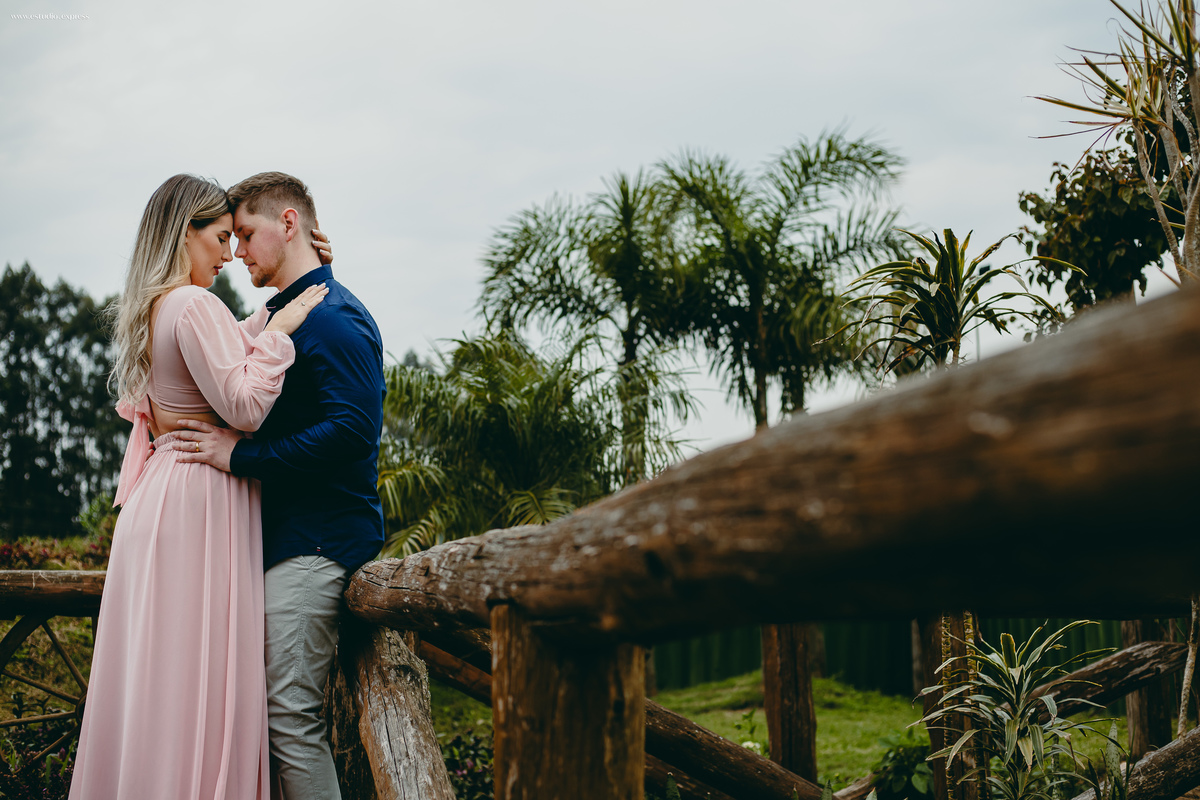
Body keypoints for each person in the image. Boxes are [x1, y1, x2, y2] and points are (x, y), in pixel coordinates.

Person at [69, 174, 330, 799]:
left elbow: (227, 344)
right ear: (186, 232)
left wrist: (296, 290)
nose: (229, 254)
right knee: (195, 681)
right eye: (219, 237)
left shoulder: (164, 305)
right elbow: (243, 402)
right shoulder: (192, 303)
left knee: (161, 685)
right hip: (196, 501)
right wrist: (283, 328)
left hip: (163, 496)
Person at [169, 171, 386, 799]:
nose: (236, 252)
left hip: (317, 545)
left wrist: (241, 457)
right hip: (281, 544)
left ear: (288, 223)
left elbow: (351, 432)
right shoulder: (278, 316)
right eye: (228, 238)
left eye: (245, 235)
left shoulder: (337, 320)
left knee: (289, 721)